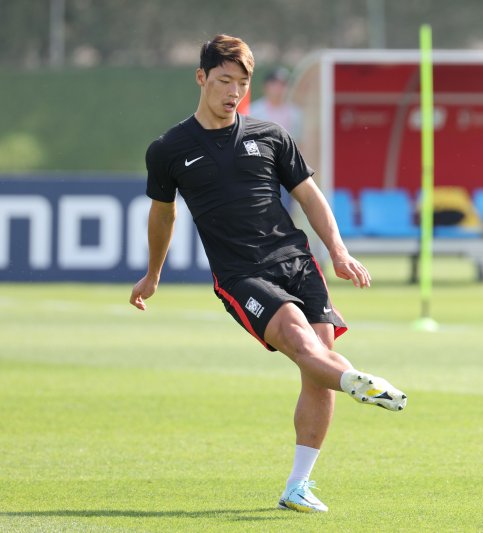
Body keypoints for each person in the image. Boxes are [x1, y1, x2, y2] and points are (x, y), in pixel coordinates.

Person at [129, 34, 407, 514]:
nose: (233, 92)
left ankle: (298, 485)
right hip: (241, 275)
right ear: (201, 78)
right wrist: (153, 274)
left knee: (317, 369)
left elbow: (309, 195)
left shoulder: (271, 136)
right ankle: (355, 381)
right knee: (303, 345)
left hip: (297, 261)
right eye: (224, 81)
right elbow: (163, 214)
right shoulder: (170, 149)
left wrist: (338, 251)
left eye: (241, 83)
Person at [247, 66, 303, 141]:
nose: (278, 88)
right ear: (265, 86)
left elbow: (299, 141)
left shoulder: (296, 113)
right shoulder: (253, 111)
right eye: (274, 84)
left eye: (283, 84)